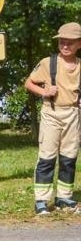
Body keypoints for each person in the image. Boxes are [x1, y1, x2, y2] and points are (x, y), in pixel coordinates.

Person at [24, 22, 81, 215]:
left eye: (70, 42)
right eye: (62, 42)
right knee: (47, 158)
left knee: (69, 158)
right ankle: (42, 200)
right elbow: (29, 83)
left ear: (79, 44)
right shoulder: (49, 63)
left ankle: (64, 197)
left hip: (73, 115)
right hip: (51, 113)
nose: (65, 46)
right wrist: (45, 92)